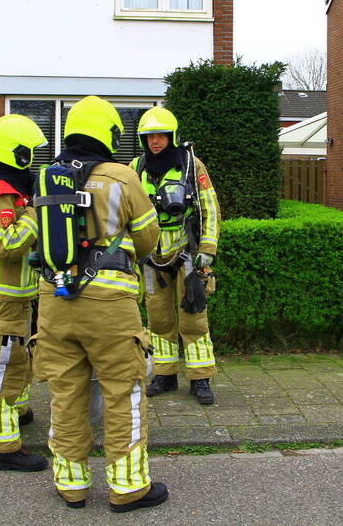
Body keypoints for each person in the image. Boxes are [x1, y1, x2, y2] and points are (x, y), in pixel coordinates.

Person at [32, 96, 167, 512]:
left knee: (65, 392)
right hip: (110, 305)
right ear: (109, 133)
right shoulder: (122, 177)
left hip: (54, 301)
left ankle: (70, 485)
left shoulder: (45, 177)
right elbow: (148, 238)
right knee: (122, 390)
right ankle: (128, 488)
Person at [0, 114, 49, 472]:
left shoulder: (10, 184)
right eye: (29, 150)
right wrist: (35, 216)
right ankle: (4, 448)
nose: (32, 156)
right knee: (3, 363)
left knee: (18, 355)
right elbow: (4, 245)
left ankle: (17, 410)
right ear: (15, 152)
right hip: (5, 294)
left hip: (16, 292)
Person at [129, 107, 220, 406]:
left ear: (171, 137)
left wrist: (207, 248)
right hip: (150, 255)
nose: (155, 142)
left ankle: (200, 378)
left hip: (188, 251)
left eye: (161, 136)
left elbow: (209, 206)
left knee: (193, 315)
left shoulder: (192, 165)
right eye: (150, 137)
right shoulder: (136, 167)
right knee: (158, 317)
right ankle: (164, 375)